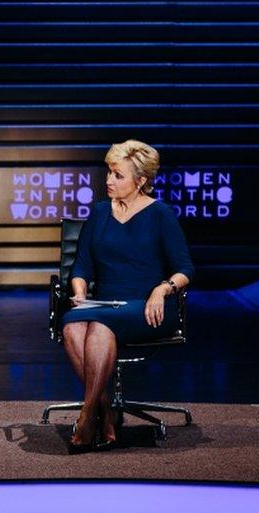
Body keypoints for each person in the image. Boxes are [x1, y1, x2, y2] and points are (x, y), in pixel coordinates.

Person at [60, 139, 195, 453]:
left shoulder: (160, 214)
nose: (108, 180)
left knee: (99, 326)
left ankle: (86, 417)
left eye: (117, 175)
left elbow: (185, 269)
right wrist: (80, 292)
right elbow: (81, 266)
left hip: (146, 308)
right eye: (108, 172)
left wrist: (162, 289)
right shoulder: (99, 212)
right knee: (71, 324)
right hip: (103, 305)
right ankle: (104, 410)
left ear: (141, 181)